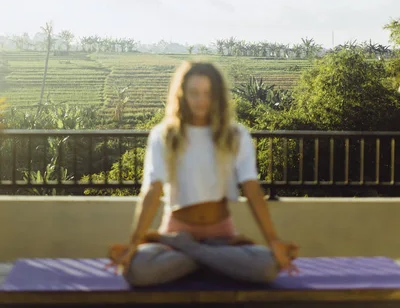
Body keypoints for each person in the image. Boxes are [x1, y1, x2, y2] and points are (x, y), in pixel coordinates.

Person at [108, 61, 299, 286]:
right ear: (182, 95)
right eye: (194, 93)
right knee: (138, 270)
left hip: (221, 238)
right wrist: (134, 242)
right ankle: (211, 260)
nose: (201, 101)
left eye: (208, 93)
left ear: (218, 96)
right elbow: (153, 189)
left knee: (267, 267)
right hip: (175, 233)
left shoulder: (236, 135)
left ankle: (190, 250)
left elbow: (252, 188)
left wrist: (273, 241)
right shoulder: (164, 135)